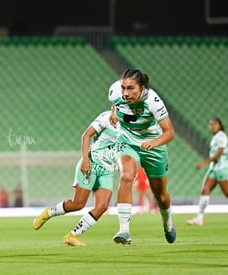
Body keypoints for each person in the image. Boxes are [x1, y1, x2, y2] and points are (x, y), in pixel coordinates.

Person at [32, 81, 122, 247]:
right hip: (91, 163)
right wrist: (86, 160)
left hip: (107, 169)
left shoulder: (130, 125)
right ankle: (49, 212)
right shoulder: (105, 118)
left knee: (102, 206)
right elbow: (86, 136)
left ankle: (72, 235)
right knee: (78, 204)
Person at [109, 68, 176, 245]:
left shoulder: (153, 101)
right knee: (127, 175)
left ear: (143, 87)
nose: (125, 93)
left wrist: (153, 143)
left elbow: (169, 132)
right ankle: (124, 231)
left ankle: (167, 221)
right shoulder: (115, 92)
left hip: (153, 146)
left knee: (160, 195)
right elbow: (115, 104)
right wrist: (113, 113)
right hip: (127, 141)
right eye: (123, 87)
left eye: (131, 88)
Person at [186, 118, 228, 226]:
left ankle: (199, 218)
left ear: (220, 125)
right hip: (214, 168)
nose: (212, 126)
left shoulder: (222, 136)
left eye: (215, 124)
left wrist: (204, 163)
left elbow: (219, 154)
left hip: (222, 168)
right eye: (211, 124)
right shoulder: (215, 137)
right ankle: (199, 218)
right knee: (205, 190)